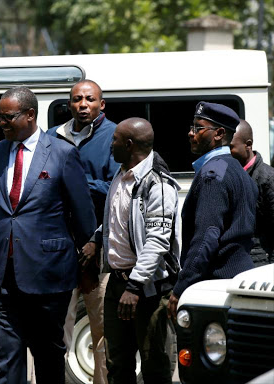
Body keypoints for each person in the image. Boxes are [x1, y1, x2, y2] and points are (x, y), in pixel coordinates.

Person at [0, 87, 96, 384]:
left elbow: (84, 216)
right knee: (5, 361)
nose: (1, 123)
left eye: (8, 117)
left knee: (48, 357)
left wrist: (89, 264)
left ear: (30, 115)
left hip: (48, 277)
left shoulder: (62, 153)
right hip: (3, 277)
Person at [87, 117, 180, 384]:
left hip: (145, 289)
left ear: (129, 145)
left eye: (114, 140)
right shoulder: (122, 174)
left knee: (153, 365)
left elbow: (157, 241)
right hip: (118, 284)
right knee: (117, 364)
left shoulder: (158, 184)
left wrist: (135, 287)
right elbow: (118, 218)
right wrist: (97, 239)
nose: (110, 145)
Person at [47, 79, 118, 384]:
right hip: (59, 251)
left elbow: (115, 191)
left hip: (97, 250)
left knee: (103, 333)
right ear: (69, 104)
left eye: (90, 99)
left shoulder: (115, 135)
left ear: (101, 104)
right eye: (77, 99)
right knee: (53, 333)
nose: (83, 104)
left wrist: (76, 182)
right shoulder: (54, 137)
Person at [168, 102, 257, 319]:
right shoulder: (236, 169)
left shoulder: (213, 174)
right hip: (237, 278)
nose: (191, 133)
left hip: (217, 285)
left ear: (218, 133)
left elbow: (206, 237)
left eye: (199, 128)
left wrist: (182, 286)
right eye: (192, 127)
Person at [230, 119, 274, 267]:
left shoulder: (267, 178)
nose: (227, 153)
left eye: (231, 147)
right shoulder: (228, 174)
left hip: (260, 263)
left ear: (248, 145)